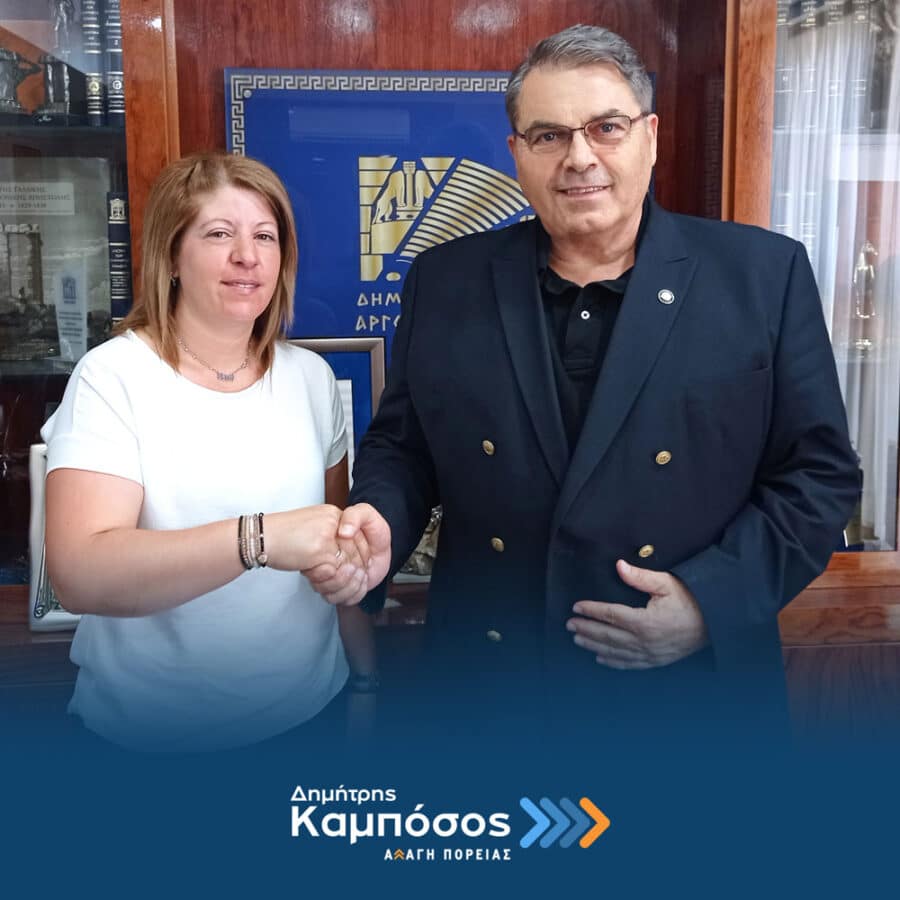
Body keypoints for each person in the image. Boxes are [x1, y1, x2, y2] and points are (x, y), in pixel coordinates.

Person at [319, 25, 861, 738]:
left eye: (606, 127)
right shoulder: (445, 281)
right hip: (491, 692)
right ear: (516, 153)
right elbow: (404, 447)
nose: (579, 157)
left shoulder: (763, 276)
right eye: (548, 135)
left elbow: (818, 476)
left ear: (650, 137)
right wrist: (381, 520)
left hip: (689, 702)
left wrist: (710, 603)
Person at [42, 152, 388, 752]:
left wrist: (364, 681)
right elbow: (80, 575)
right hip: (153, 740)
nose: (247, 256)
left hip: (312, 716)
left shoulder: (310, 378)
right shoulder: (113, 377)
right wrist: (258, 538)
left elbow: (334, 561)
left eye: (265, 236)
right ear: (172, 256)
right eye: (219, 234)